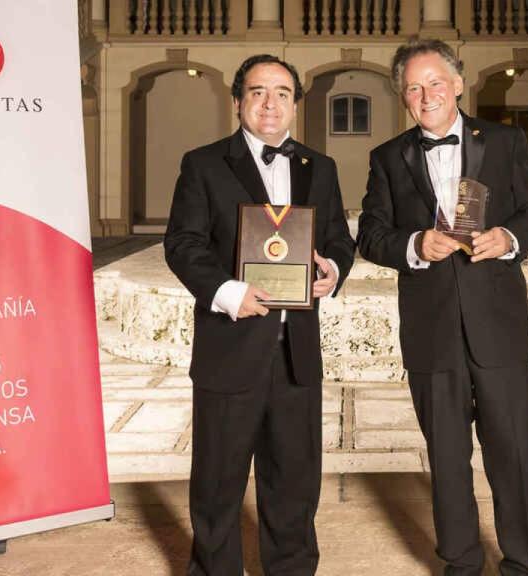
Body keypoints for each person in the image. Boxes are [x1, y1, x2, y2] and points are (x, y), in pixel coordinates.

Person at [357, 39, 528, 576]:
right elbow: (370, 234)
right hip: (432, 330)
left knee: (513, 455)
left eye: (436, 83)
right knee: (446, 460)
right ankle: (461, 563)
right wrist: (413, 245)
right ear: (403, 95)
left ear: (459, 84)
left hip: (499, 327)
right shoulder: (388, 157)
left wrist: (510, 237)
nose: (427, 96)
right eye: (415, 88)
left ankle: (524, 563)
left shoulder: (506, 141)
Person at [163, 54, 355, 575]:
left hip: (297, 353)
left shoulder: (322, 167)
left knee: (294, 483)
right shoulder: (203, 164)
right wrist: (228, 292)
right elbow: (183, 245)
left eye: (282, 93)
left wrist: (331, 270)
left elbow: (338, 238)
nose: (270, 103)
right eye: (258, 92)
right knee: (218, 484)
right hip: (231, 344)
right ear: (238, 101)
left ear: (295, 103)